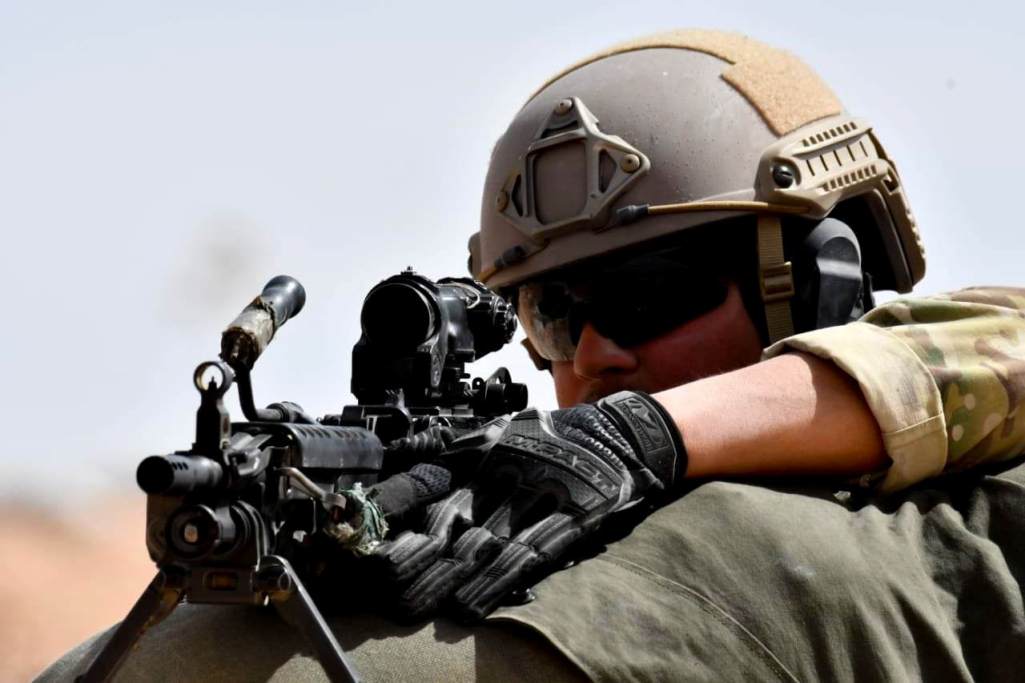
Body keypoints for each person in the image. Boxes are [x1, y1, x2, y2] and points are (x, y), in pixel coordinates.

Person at [40, 29, 1025, 682]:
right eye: (549, 315)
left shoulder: (950, 487)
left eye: (648, 294)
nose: (592, 351)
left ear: (817, 283)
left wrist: (654, 435)